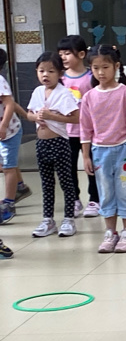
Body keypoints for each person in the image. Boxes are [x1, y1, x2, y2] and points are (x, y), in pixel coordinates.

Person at [79, 45, 126, 254]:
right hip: (99, 152)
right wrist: (86, 156)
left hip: (123, 150)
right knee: (105, 192)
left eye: (105, 67)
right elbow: (85, 128)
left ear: (116, 66)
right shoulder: (89, 97)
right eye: (95, 68)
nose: (101, 72)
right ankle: (110, 232)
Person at [26, 52, 80, 238]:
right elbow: (29, 114)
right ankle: (48, 220)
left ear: (60, 73)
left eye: (51, 71)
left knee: (66, 182)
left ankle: (69, 219)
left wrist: (52, 116)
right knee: (47, 183)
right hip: (41, 143)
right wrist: (36, 117)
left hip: (59, 143)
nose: (45, 75)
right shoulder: (37, 92)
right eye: (41, 71)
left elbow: (76, 117)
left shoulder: (64, 93)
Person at [59, 34, 99, 217]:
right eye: (61, 54)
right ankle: (74, 199)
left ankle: (95, 199)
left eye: (68, 53)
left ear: (82, 54)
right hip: (66, 132)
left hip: (89, 132)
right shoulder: (60, 79)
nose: (63, 57)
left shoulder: (91, 77)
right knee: (68, 169)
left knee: (91, 166)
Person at [0, 48, 24, 225]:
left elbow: (10, 104)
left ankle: (8, 204)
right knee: (6, 165)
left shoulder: (0, 81)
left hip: (9, 132)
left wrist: (3, 125)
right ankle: (20, 186)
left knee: (8, 167)